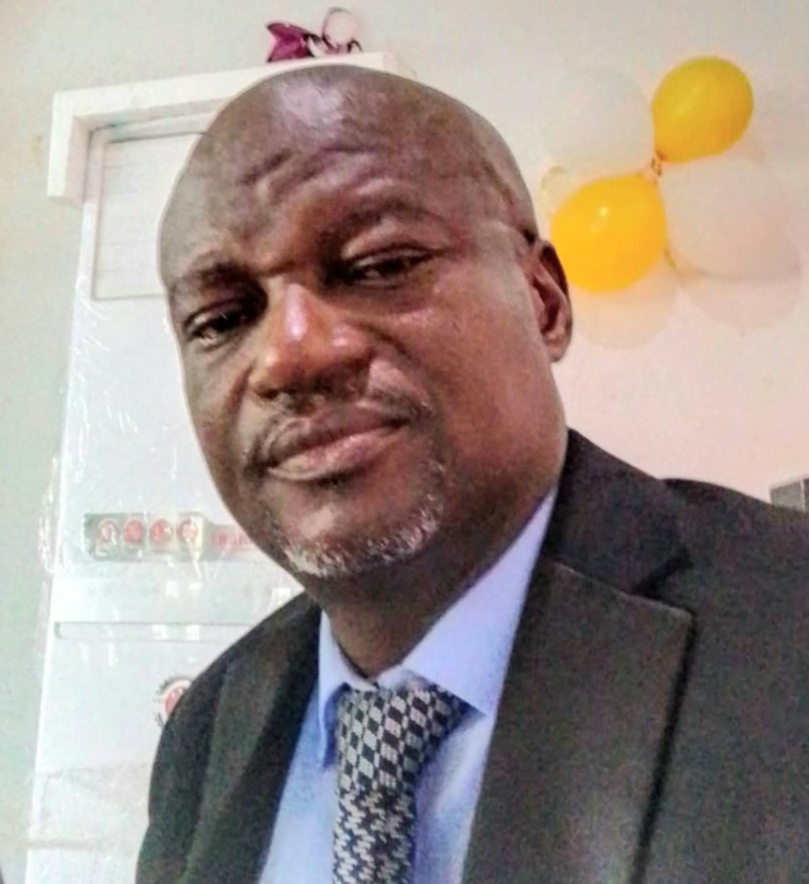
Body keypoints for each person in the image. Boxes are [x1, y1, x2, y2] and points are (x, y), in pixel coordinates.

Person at [137, 65, 809, 884]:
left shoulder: (787, 621)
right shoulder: (207, 726)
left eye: (380, 265)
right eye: (221, 319)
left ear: (544, 301)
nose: (289, 354)